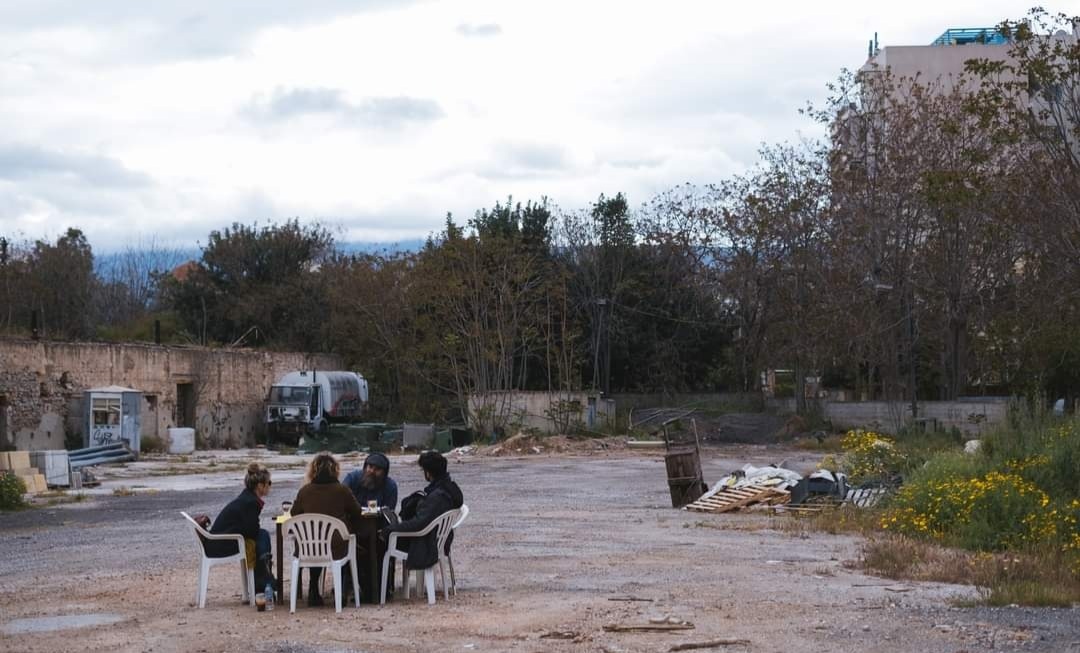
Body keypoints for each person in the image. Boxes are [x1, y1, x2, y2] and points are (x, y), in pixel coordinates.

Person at [290, 451, 366, 606]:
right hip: (336, 545)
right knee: (343, 541)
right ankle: (342, 591)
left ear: (313, 470)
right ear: (335, 470)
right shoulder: (342, 490)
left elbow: (294, 514)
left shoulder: (305, 491)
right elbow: (357, 511)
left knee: (315, 542)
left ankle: (313, 589)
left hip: (309, 545)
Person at [384, 451, 464, 572]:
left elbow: (419, 524)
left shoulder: (438, 496)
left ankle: (382, 586)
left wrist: (393, 528)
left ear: (428, 472)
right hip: (440, 537)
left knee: (381, 541)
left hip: (426, 542)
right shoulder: (450, 488)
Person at [206, 462, 275, 593]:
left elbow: (248, 529)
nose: (270, 486)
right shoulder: (251, 502)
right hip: (221, 545)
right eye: (269, 482)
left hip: (216, 541)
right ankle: (263, 581)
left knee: (262, 535)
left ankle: (264, 580)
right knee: (262, 536)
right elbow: (252, 531)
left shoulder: (247, 497)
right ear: (260, 486)